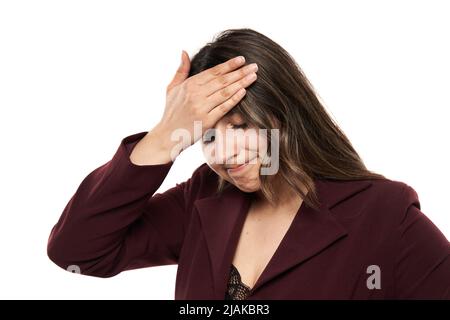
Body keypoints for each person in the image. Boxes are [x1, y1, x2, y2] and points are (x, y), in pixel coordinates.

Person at [47, 28, 450, 300]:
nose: (224, 154)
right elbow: (76, 251)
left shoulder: (385, 215)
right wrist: (164, 133)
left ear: (286, 113)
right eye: (206, 135)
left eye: (240, 126)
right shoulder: (203, 199)